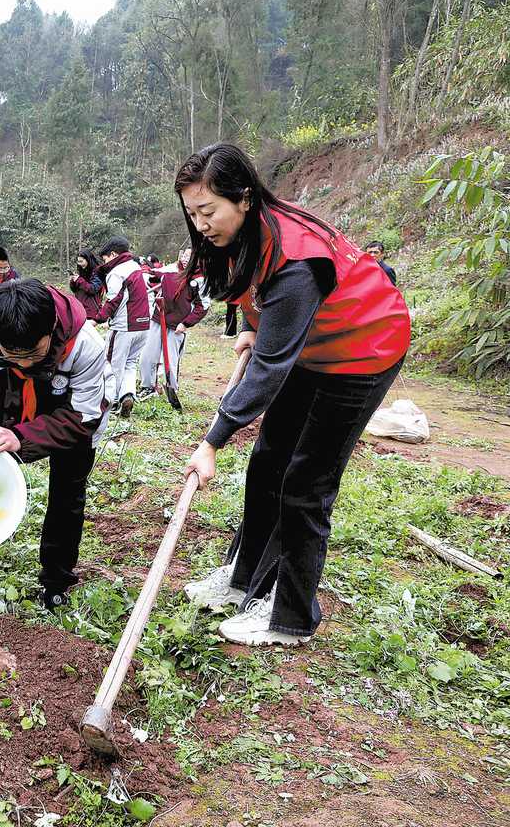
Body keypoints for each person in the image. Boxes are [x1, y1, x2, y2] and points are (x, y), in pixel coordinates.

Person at [177, 143, 410, 646]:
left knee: (306, 483)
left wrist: (213, 439)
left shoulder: (297, 257)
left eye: (208, 211)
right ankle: (243, 581)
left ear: (243, 198)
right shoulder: (241, 234)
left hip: (362, 349)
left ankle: (290, 615)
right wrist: (257, 326)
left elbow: (267, 371)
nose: (200, 224)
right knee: (268, 461)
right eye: (192, 212)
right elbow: (253, 293)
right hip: (312, 345)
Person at [0, 279, 109, 609]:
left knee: (67, 493)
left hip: (73, 418)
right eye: (12, 355)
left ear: (52, 328)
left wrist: (23, 437)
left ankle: (57, 578)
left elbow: (84, 417)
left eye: (33, 353)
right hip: (13, 404)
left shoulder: (86, 345)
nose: (25, 363)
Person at [138, 249, 208, 400]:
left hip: (177, 325)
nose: (185, 259)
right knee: (147, 356)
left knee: (171, 359)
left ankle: (171, 389)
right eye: (184, 255)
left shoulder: (200, 279)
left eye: (189, 257)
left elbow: (203, 306)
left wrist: (186, 324)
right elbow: (152, 275)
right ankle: (148, 387)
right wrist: (142, 271)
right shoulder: (170, 270)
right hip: (159, 318)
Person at [97, 238, 149, 417]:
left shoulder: (116, 272)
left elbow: (114, 300)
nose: (104, 263)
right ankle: (127, 395)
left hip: (124, 326)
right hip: (143, 325)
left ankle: (110, 402)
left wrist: (98, 319)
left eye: (104, 259)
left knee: (112, 364)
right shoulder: (135, 267)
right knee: (130, 363)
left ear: (112, 254)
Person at [69, 250, 104, 321]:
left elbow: (92, 289)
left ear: (88, 260)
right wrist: (73, 281)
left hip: (91, 311)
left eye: (81, 261)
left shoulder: (97, 272)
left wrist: (79, 280)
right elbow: (75, 290)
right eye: (78, 261)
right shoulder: (81, 271)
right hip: (80, 308)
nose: (79, 264)